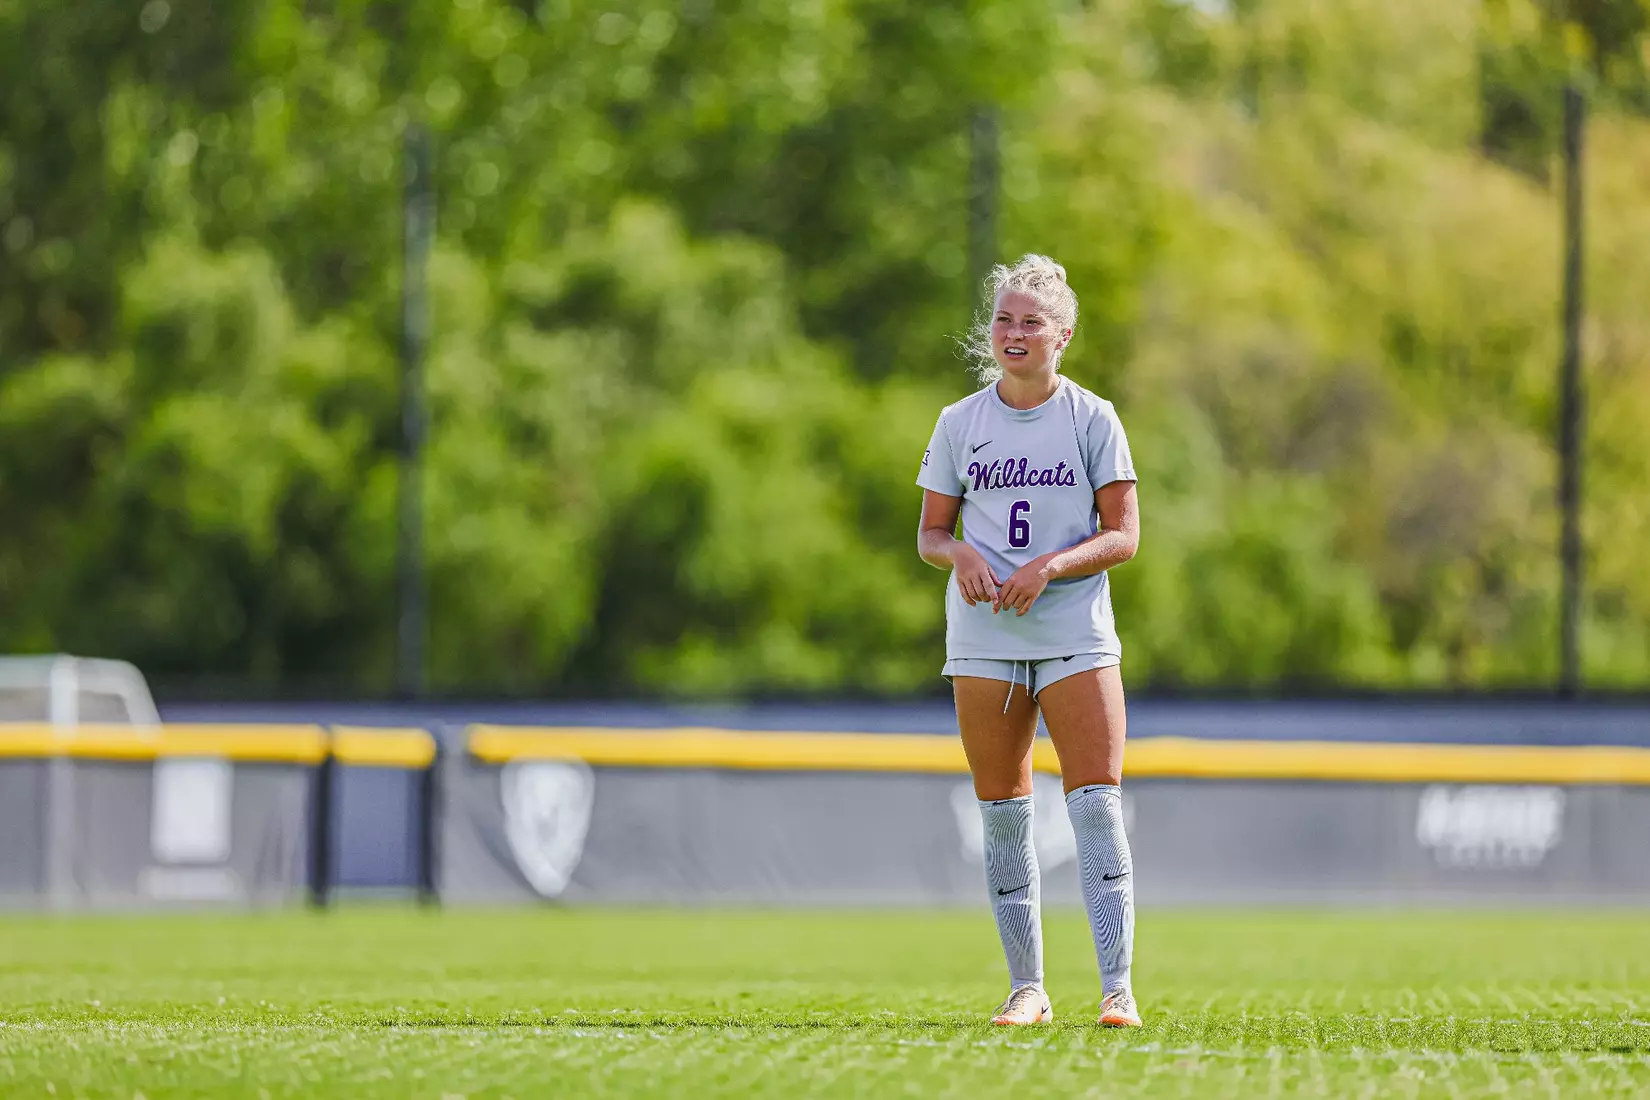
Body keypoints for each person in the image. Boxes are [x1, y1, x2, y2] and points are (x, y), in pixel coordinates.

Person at [915, 254, 1141, 1028]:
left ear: (1062, 335)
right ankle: (1028, 989)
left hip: (1075, 631)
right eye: (1005, 320)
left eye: (1031, 322)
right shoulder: (959, 422)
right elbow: (930, 535)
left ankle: (1116, 989)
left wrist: (1051, 567)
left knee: (1095, 806)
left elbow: (1123, 536)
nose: (1014, 333)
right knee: (1005, 812)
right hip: (984, 638)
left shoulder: (1092, 417)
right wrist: (964, 556)